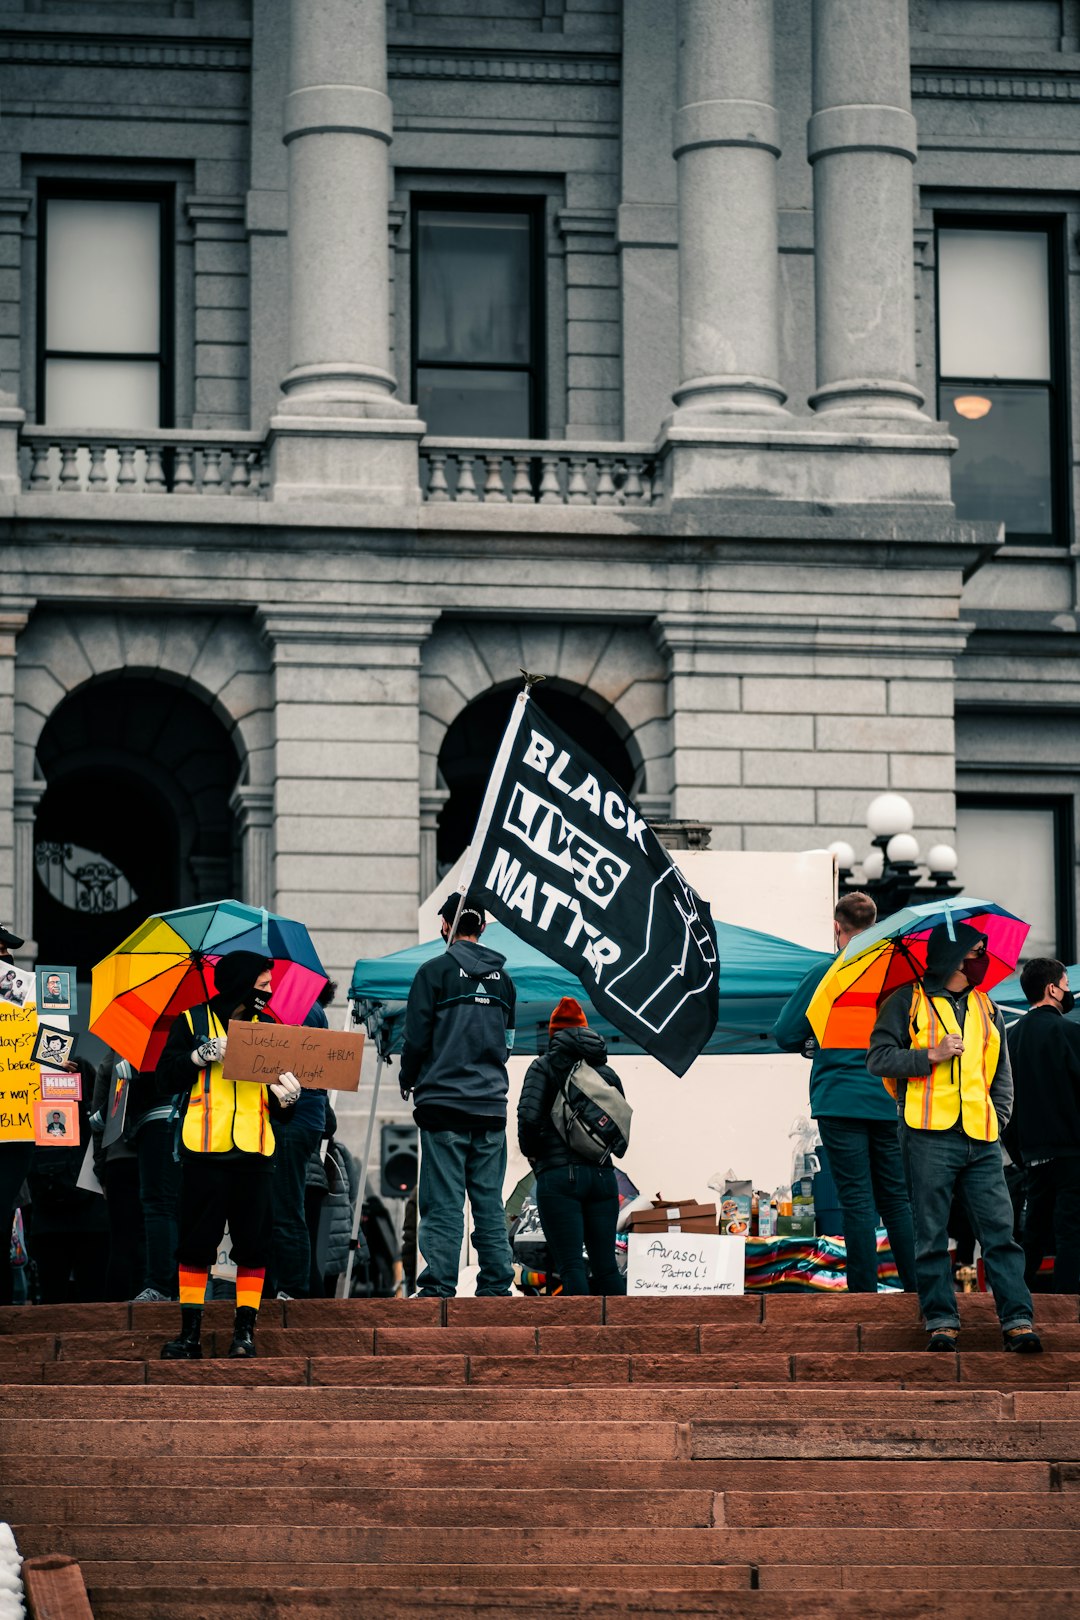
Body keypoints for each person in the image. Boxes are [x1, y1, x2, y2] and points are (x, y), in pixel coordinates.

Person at [868, 921, 1041, 1353]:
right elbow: (878, 1059)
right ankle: (941, 1320)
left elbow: (1001, 1074)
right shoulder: (906, 1001)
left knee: (1001, 1231)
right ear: (953, 956)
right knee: (930, 1234)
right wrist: (932, 1054)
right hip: (928, 1134)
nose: (982, 957)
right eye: (976, 950)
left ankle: (1018, 1320)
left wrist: (998, 1118)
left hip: (981, 1137)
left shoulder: (988, 1007)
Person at [154, 952, 302, 1359]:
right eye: (263, 984)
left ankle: (245, 1333)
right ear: (240, 984)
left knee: (254, 1248)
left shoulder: (271, 1028)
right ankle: (190, 1335)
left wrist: (288, 1099)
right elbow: (165, 1078)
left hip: (255, 1151)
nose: (269, 991)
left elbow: (281, 1110)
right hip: (204, 1150)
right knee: (194, 1247)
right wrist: (198, 1056)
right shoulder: (192, 1022)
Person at [774, 892, 917, 1294]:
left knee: (856, 1200)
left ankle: (863, 1298)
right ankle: (920, 1293)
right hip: (889, 1100)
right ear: (875, 924)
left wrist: (815, 1041)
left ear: (837, 927)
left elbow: (786, 1033)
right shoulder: (897, 975)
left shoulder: (827, 972)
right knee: (895, 1199)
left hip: (838, 1099)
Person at [398, 893, 516, 1299]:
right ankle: (497, 1285)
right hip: (490, 1107)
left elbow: (415, 1039)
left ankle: (439, 1288)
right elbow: (508, 1044)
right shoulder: (506, 981)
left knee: (444, 1202)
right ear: (481, 927)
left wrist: (407, 1077)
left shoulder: (433, 973)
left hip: (443, 1104)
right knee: (488, 1202)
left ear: (446, 926)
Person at [517, 996, 626, 1296]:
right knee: (606, 1267)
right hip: (603, 1177)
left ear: (554, 1034)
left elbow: (527, 1119)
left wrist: (536, 1156)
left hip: (559, 1177)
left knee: (571, 1266)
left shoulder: (543, 1067)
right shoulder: (606, 1073)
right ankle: (621, 1338)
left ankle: (581, 1341)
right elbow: (617, 1125)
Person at [1004, 958, 1080, 1295]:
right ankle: (1067, 1310)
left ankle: (1018, 1307)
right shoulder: (1070, 1033)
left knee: (1031, 1236)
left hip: (1032, 1155)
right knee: (1071, 1234)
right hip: (1072, 1153)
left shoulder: (1010, 1038)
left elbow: (1003, 1102)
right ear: (1052, 989)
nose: (1068, 991)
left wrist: (1020, 1153)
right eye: (1065, 984)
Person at [267, 979, 336, 1300]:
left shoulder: (302, 1012)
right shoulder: (314, 1011)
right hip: (302, 1120)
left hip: (292, 1120)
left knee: (286, 1206)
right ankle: (293, 1286)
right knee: (287, 1205)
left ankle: (292, 1288)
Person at [0, 924, 32, 1307]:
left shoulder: (25, 1002)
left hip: (17, 1124)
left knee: (5, 1207)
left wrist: (60, 1067)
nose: (8, 959)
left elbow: (43, 1047)